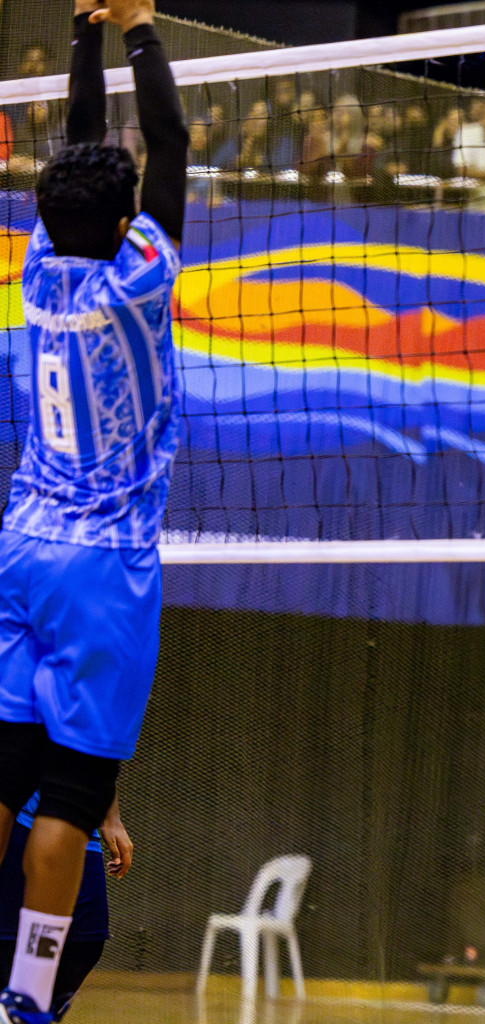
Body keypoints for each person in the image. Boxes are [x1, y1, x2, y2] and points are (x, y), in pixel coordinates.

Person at [0, 0, 186, 1021]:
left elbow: (88, 146)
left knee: (3, 783)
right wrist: (141, 25)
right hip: (102, 566)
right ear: (124, 226)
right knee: (68, 801)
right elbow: (169, 140)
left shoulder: (36, 269)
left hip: (21, 543)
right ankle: (26, 999)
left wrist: (85, 30)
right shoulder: (137, 280)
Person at [0, 795, 131, 1020]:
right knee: (7, 938)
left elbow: (101, 762)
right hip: (16, 812)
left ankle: (23, 1012)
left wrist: (112, 819)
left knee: (86, 939)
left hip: (75, 813)